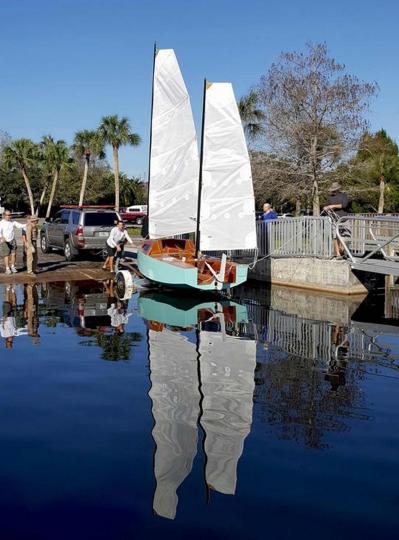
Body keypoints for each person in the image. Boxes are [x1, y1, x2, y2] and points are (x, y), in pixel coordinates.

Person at [323, 182, 349, 257]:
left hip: (344, 219)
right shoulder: (329, 197)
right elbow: (325, 207)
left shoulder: (343, 196)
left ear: (338, 189)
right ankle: (337, 253)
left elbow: (344, 205)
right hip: (334, 220)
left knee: (346, 236)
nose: (333, 191)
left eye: (334, 190)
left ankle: (342, 250)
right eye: (332, 190)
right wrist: (325, 208)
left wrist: (332, 206)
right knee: (335, 236)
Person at [0, 210, 26, 274]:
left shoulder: (12, 222)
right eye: (8, 215)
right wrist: (1, 237)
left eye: (10, 215)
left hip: (12, 240)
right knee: (6, 255)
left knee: (13, 254)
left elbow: (20, 225)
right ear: (4, 215)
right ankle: (7, 268)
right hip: (5, 241)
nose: (9, 216)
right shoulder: (1, 223)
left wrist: (28, 224)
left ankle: (13, 267)